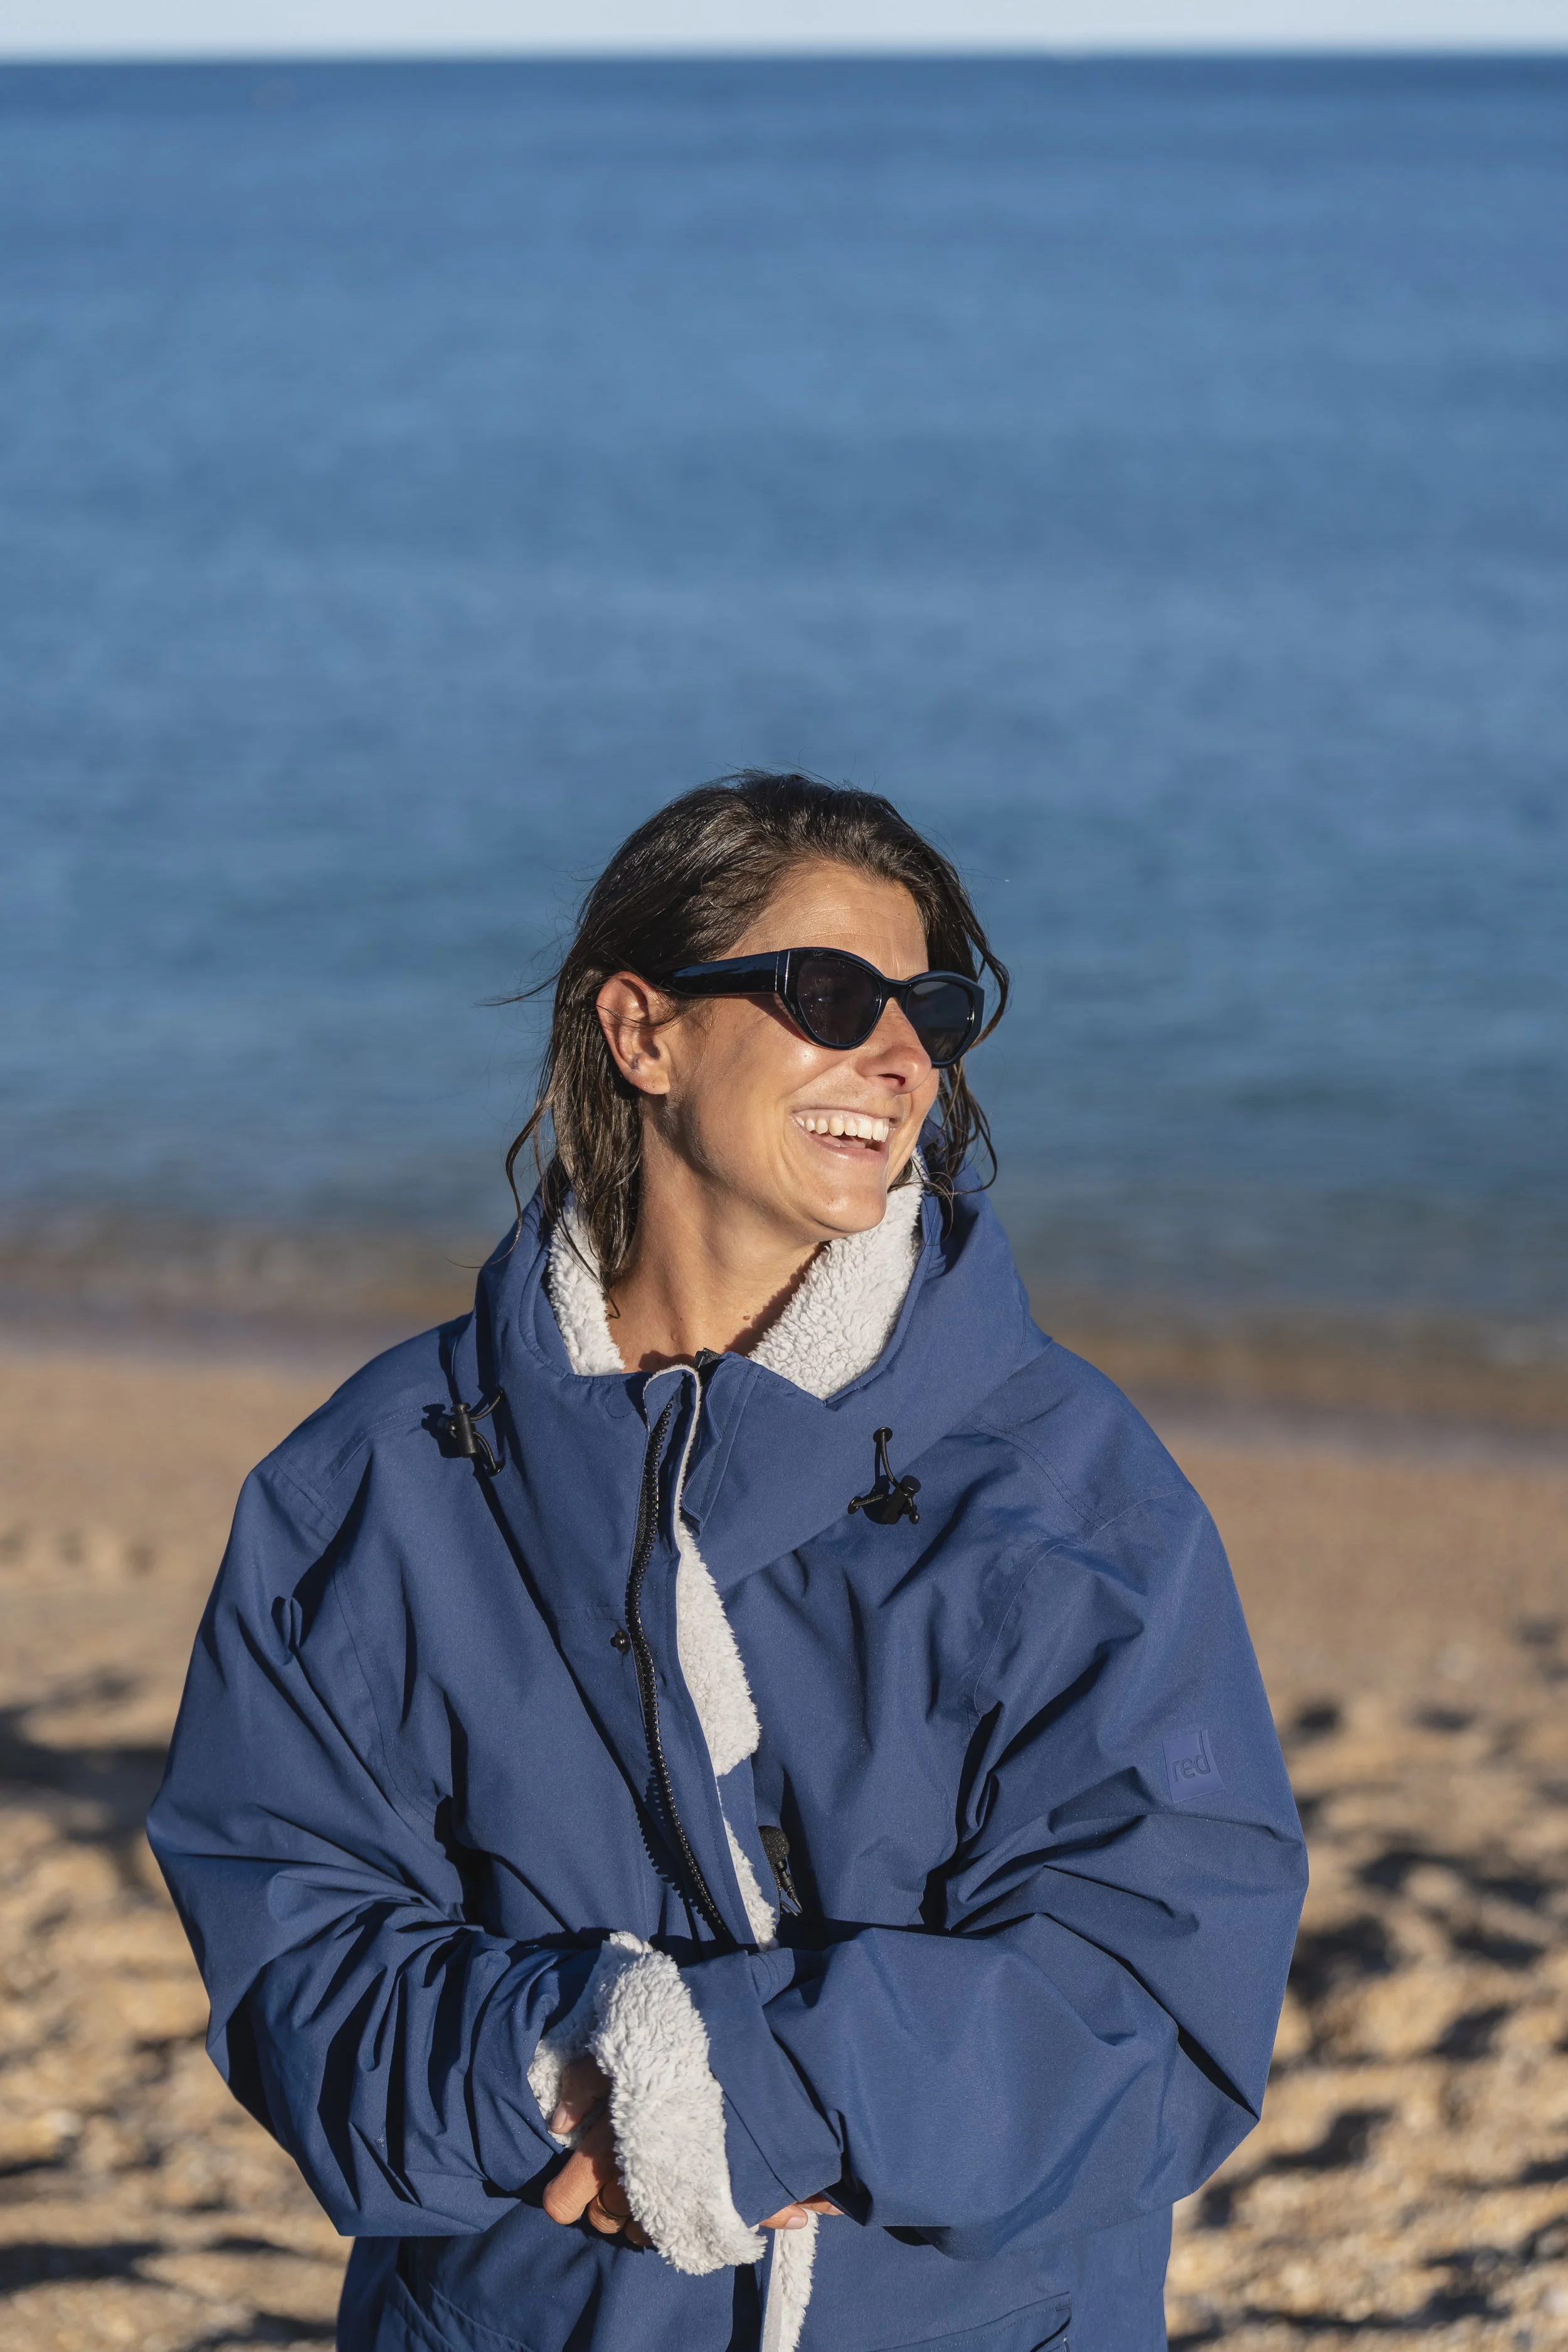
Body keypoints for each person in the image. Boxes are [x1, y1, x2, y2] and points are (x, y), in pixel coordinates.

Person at [150, 772, 1306, 2352]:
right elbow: (299, 1969)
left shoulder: (1077, 1495)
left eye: (934, 1010)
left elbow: (1163, 1995)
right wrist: (578, 2062)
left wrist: (761, 2092)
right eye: (830, 995)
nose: (896, 1058)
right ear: (641, 1031)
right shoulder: (365, 1488)